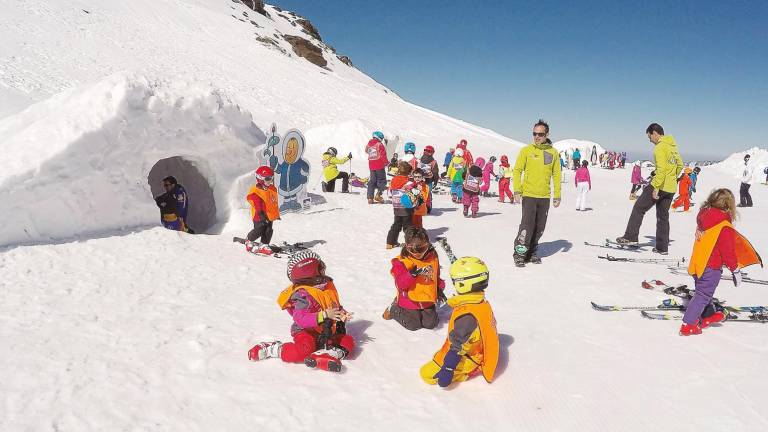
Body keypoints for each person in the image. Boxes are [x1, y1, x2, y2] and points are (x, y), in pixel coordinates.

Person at [247, 251, 355, 372]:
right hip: (306, 331)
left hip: (326, 331)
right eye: (320, 267)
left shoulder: (325, 287)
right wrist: (324, 315)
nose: (324, 269)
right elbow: (301, 319)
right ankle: (274, 349)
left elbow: (334, 306)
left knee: (348, 341)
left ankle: (326, 354)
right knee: (305, 349)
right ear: (309, 272)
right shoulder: (303, 295)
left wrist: (342, 314)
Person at [680, 189, 762, 335]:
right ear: (729, 206)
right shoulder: (724, 226)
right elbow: (727, 252)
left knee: (704, 291)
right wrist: (735, 270)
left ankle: (708, 314)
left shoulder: (704, 216)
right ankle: (688, 324)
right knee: (703, 294)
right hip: (711, 266)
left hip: (698, 263)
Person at [420, 256, 498, 388]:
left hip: (470, 358)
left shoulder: (467, 317)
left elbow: (458, 347)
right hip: (476, 351)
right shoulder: (479, 302)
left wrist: (448, 369)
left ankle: (467, 372)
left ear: (463, 284)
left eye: (455, 281)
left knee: (425, 374)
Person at [616, 123, 683, 255]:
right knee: (663, 216)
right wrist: (672, 178)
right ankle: (662, 247)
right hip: (671, 188)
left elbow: (662, 170)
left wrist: (656, 187)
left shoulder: (660, 148)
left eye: (649, 137)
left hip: (660, 185)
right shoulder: (673, 147)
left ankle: (631, 237)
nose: (650, 140)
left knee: (639, 208)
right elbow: (680, 165)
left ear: (655, 133)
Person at [512, 119, 562, 267]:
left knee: (540, 227)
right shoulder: (526, 151)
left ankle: (532, 252)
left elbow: (557, 174)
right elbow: (517, 170)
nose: (537, 137)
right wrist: (517, 190)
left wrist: (557, 195)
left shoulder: (553, 153)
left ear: (547, 134)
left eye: (540, 134)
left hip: (544, 197)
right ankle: (520, 253)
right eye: (534, 134)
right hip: (529, 195)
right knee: (526, 226)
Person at [382, 227, 443, 331]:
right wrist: (410, 275)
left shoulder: (433, 257)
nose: (418, 253)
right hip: (409, 301)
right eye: (413, 250)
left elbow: (436, 275)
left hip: (427, 300)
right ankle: (394, 309)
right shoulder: (401, 261)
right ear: (406, 246)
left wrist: (439, 288)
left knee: (431, 324)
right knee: (413, 325)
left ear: (428, 244)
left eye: (421, 249)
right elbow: (400, 284)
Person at [245, 166, 281, 254]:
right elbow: (254, 201)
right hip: (259, 215)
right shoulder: (255, 190)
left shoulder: (272, 189)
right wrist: (261, 213)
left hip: (269, 215)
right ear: (260, 179)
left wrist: (275, 214)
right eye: (268, 179)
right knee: (259, 229)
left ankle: (264, 245)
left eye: (272, 178)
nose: (270, 181)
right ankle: (249, 240)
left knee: (269, 230)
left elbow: (273, 203)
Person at [387, 162, 418, 249]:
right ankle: (410, 243)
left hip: (396, 206)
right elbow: (413, 193)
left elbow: (389, 192)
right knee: (408, 226)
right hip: (406, 206)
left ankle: (390, 242)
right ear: (408, 172)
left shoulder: (393, 180)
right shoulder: (408, 182)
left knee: (396, 224)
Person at [366, 131, 388, 204]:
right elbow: (383, 155)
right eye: (381, 138)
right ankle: (378, 195)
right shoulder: (380, 144)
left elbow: (366, 151)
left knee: (372, 181)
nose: (381, 140)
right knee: (382, 181)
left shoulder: (369, 144)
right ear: (379, 138)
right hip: (379, 165)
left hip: (371, 165)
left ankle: (370, 198)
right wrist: (387, 163)